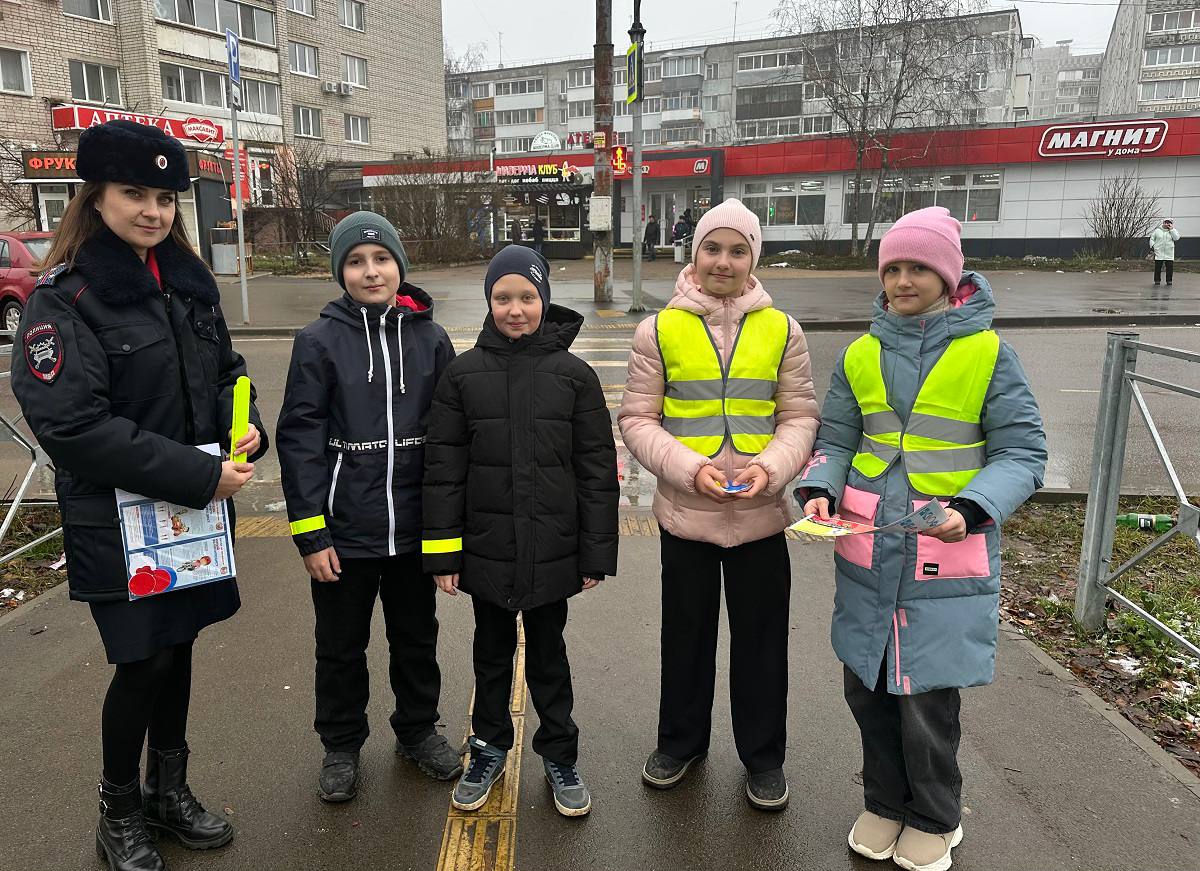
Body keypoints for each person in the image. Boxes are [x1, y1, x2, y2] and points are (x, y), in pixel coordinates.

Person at [10, 119, 268, 871]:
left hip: (189, 520)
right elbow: (74, 427)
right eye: (134, 194)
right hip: (118, 524)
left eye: (164, 197)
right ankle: (118, 810)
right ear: (95, 197)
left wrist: (246, 425)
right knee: (143, 663)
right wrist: (200, 474)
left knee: (177, 651)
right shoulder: (65, 300)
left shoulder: (186, 283)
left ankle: (168, 792)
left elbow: (227, 372)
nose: (153, 211)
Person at [796, 207, 1046, 871]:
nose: (903, 280)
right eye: (893, 268)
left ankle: (936, 816)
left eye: (918, 268)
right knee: (868, 690)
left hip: (945, 552)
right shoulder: (860, 353)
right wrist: (819, 487)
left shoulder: (988, 353)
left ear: (948, 276)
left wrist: (974, 506)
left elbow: (1022, 452)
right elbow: (836, 439)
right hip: (868, 551)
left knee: (926, 699)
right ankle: (884, 802)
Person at [618, 198, 820, 811]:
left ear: (753, 259)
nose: (723, 262)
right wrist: (689, 469)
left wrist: (771, 469)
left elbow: (799, 417)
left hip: (762, 518)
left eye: (738, 250)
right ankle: (680, 744)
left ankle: (764, 758)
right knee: (685, 638)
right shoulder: (658, 329)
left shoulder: (783, 329)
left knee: (762, 646)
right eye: (712, 248)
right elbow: (637, 420)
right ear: (694, 252)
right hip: (687, 516)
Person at [423, 245, 618, 818]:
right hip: (486, 552)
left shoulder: (574, 377)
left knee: (549, 658)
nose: (515, 309)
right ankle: (488, 749)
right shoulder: (462, 376)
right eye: (503, 297)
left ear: (544, 300)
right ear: (489, 302)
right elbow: (443, 470)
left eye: (527, 297)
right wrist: (443, 555)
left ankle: (559, 753)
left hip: (553, 551)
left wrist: (595, 554)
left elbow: (596, 471)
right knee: (491, 656)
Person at [276, 211, 462, 804]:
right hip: (344, 534)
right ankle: (340, 744)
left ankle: (418, 730)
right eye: (356, 261)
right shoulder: (317, 342)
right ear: (341, 272)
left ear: (400, 266)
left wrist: (447, 532)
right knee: (339, 647)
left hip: (413, 531)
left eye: (382, 259)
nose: (371, 271)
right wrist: (312, 534)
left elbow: (452, 439)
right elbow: (299, 441)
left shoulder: (431, 340)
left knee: (416, 639)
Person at [1150, 218, 1180, 286]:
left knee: (1169, 268)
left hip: (1169, 252)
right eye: (1165, 222)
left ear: (1171, 224)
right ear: (1163, 223)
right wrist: (1153, 246)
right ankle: (1157, 280)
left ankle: (1169, 280)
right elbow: (1152, 239)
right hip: (1159, 252)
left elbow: (1176, 238)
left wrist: (1171, 230)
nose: (1166, 224)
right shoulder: (1157, 231)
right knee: (1158, 267)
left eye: (1168, 223)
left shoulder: (1173, 231)